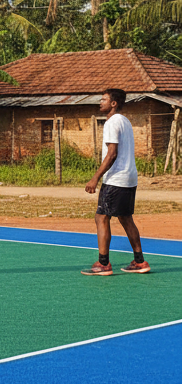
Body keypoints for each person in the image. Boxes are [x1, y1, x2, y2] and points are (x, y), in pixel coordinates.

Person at [81, 88, 149, 275]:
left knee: (102, 217)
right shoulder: (125, 121)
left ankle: (103, 264)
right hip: (129, 177)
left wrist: (95, 177)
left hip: (116, 178)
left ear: (113, 103)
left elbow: (112, 154)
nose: (100, 102)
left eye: (103, 99)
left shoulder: (111, 123)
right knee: (126, 218)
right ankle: (140, 261)